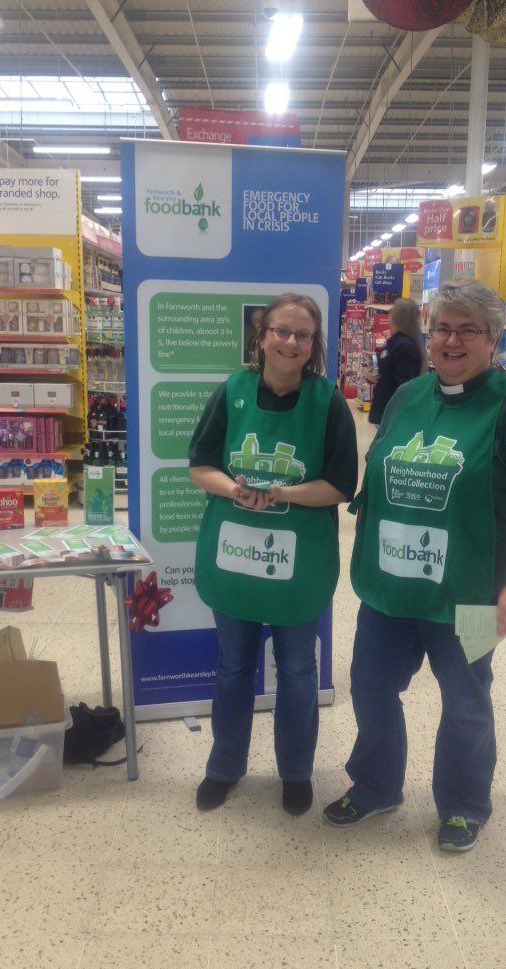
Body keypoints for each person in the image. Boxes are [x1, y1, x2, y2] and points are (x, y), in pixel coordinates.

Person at [323, 279, 506, 852]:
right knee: (372, 688)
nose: (452, 341)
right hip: (391, 587)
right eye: (442, 328)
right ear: (428, 335)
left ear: (494, 339)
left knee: (466, 701)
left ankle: (463, 803)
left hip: (473, 594)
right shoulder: (408, 395)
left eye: (468, 330)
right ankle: (377, 783)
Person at [189, 293, 358, 815]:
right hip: (234, 560)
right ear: (260, 337)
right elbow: (201, 467)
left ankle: (296, 771)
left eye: (302, 335)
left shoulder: (328, 403)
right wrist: (235, 490)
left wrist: (281, 494)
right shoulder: (232, 393)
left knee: (299, 673)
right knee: (233, 669)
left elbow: (340, 485)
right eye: (281, 332)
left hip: (298, 569)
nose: (290, 342)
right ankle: (224, 766)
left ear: (314, 346)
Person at [365, 298, 426, 427]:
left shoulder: (403, 346)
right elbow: (388, 374)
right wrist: (372, 377)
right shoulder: (396, 342)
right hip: (388, 414)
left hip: (394, 416)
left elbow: (404, 385)